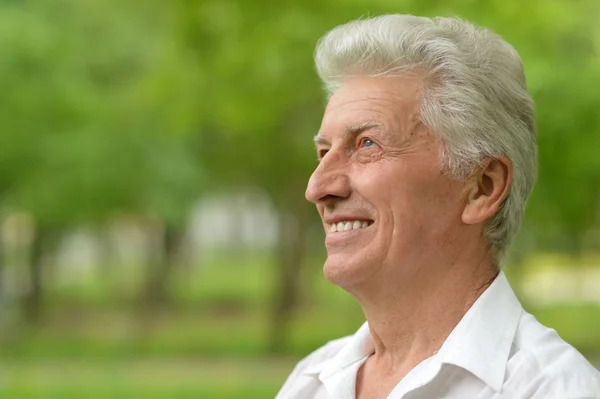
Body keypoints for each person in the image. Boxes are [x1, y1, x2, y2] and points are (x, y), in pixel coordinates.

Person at [275, 14, 600, 399]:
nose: (317, 187)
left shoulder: (553, 390)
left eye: (366, 144)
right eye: (324, 151)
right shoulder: (311, 381)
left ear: (482, 187)